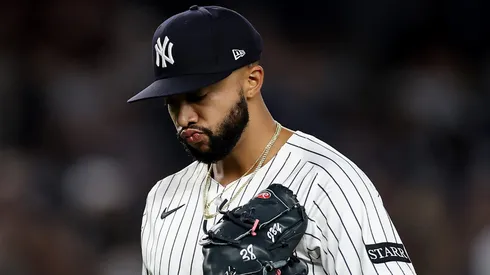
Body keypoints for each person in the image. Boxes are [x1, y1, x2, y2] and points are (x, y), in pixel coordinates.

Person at [128, 5, 417, 275]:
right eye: (172, 102)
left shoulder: (326, 182)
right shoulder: (161, 199)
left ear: (252, 81)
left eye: (198, 96)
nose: (184, 117)